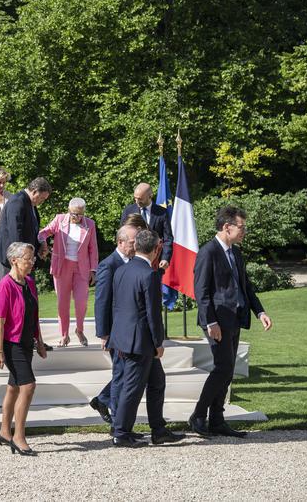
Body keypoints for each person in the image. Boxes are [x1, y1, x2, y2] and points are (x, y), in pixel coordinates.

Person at [190, 205, 272, 439]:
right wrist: (210, 322)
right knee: (223, 368)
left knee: (227, 371)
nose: (244, 231)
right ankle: (198, 415)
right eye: (241, 227)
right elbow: (202, 292)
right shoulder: (208, 252)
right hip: (216, 321)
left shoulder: (235, 252)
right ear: (227, 227)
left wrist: (260, 312)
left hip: (235, 318)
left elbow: (245, 286)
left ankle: (217, 420)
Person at [108, 229, 184, 447]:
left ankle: (158, 430)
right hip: (140, 341)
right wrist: (158, 343)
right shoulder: (149, 274)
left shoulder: (122, 270)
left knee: (157, 382)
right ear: (157, 248)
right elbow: (152, 314)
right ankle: (121, 432)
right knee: (132, 387)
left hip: (124, 336)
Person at [0, 242, 47, 456]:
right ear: (14, 260)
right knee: (28, 386)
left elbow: (34, 316)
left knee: (14, 387)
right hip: (11, 343)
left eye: (33, 259)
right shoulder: (5, 285)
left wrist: (40, 342)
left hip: (26, 342)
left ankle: (5, 431)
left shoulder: (30, 283)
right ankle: (19, 436)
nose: (32, 262)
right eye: (28, 258)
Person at [89, 224, 137, 424]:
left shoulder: (133, 261)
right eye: (133, 242)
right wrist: (104, 333)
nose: (136, 246)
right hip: (116, 332)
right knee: (121, 373)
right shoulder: (109, 265)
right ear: (121, 242)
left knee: (129, 372)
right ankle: (118, 421)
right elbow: (102, 300)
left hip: (130, 330)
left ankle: (103, 400)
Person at [38, 197, 100, 347]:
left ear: (83, 212)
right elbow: (43, 233)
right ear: (68, 210)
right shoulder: (60, 220)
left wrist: (93, 270)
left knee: (81, 301)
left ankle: (79, 329)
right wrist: (43, 242)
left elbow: (93, 249)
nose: (75, 217)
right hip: (62, 265)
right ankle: (64, 334)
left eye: (79, 214)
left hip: (81, 267)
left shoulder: (89, 224)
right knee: (62, 303)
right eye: (73, 213)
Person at [0, 177, 52, 279]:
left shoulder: (30, 203)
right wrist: (21, 259)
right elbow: (15, 233)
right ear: (34, 192)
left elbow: (32, 231)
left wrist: (40, 246)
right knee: (12, 292)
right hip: (13, 260)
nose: (42, 201)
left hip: (24, 258)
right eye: (42, 198)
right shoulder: (17, 202)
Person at [120, 182, 174, 273]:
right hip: (132, 260)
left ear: (150, 196)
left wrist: (165, 259)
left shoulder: (162, 213)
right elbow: (122, 235)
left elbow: (168, 238)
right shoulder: (128, 211)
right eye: (135, 198)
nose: (137, 201)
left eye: (140, 199)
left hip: (154, 262)